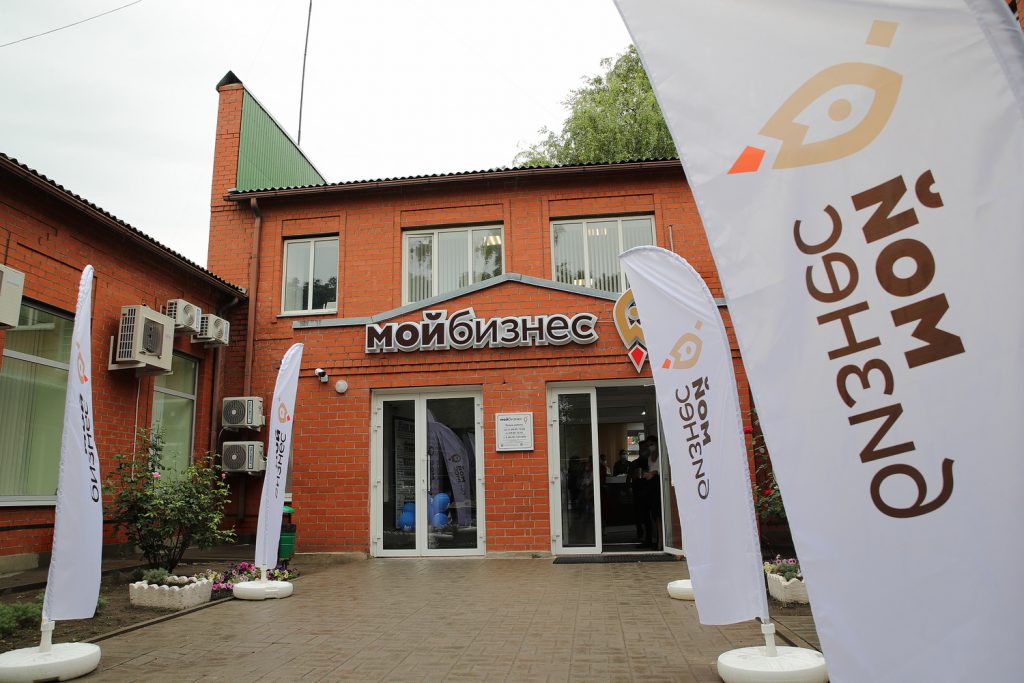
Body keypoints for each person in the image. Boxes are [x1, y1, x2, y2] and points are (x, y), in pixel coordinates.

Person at [642, 436, 662, 549]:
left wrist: (654, 473)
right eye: (648, 445)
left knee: (659, 513)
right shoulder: (649, 458)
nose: (650, 447)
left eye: (651, 444)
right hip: (651, 486)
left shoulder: (661, 455)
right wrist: (648, 474)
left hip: (659, 486)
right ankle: (658, 540)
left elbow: (661, 470)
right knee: (654, 514)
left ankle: (661, 541)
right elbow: (650, 470)